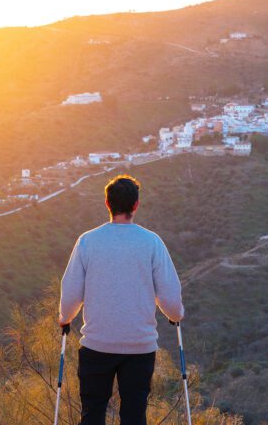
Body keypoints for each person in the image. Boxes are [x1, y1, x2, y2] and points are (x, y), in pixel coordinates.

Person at [59, 174, 185, 425]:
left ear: (107, 204)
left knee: (92, 413)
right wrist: (175, 316)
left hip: (97, 345)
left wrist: (65, 318)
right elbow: (170, 296)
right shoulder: (151, 242)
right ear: (136, 205)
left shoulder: (87, 241)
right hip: (139, 346)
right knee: (134, 415)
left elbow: (71, 292)